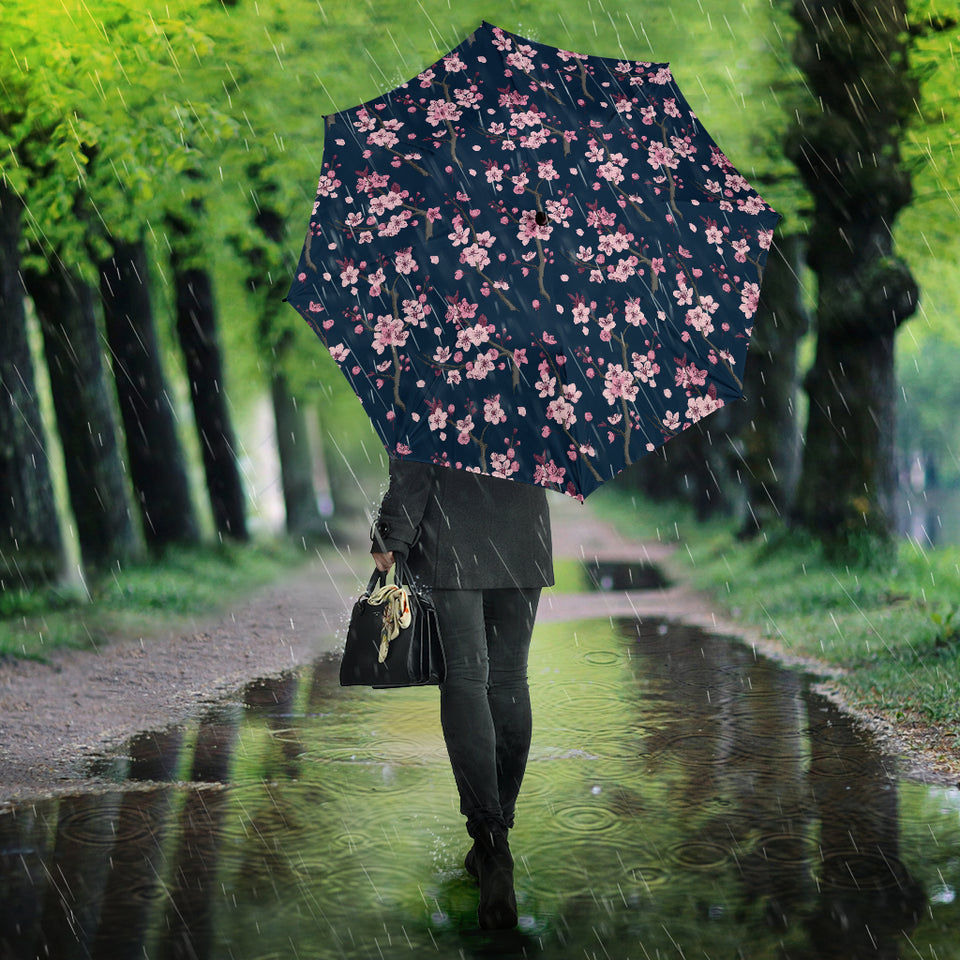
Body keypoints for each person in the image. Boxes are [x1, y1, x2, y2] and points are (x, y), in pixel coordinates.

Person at [370, 458, 553, 930]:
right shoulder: (544, 379)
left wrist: (393, 529)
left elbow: (415, 447)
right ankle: (497, 837)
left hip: (452, 530)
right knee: (510, 677)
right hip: (522, 526)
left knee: (466, 678)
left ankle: (490, 841)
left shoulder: (433, 379)